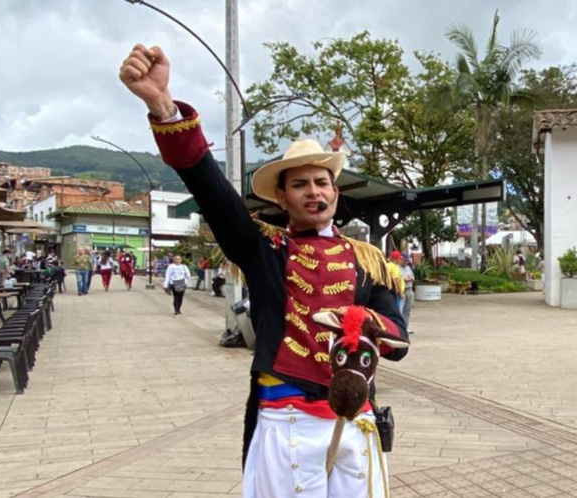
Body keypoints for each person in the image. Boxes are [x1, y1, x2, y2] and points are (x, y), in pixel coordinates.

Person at [120, 43, 408, 498]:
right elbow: (211, 190)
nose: (314, 192)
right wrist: (164, 108)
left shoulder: (367, 259)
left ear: (335, 191)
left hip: (356, 422)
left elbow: (399, 341)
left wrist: (362, 325)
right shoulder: (264, 250)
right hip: (286, 420)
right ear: (282, 197)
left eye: (322, 182)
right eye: (300, 184)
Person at [393, 251, 415, 326]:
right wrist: (405, 279)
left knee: (408, 310)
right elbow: (397, 279)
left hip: (410, 289)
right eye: (405, 260)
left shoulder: (408, 268)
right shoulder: (397, 268)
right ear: (401, 259)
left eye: (407, 261)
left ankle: (406, 326)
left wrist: (411, 278)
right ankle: (400, 326)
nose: (406, 262)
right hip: (402, 291)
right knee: (400, 309)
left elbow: (413, 277)